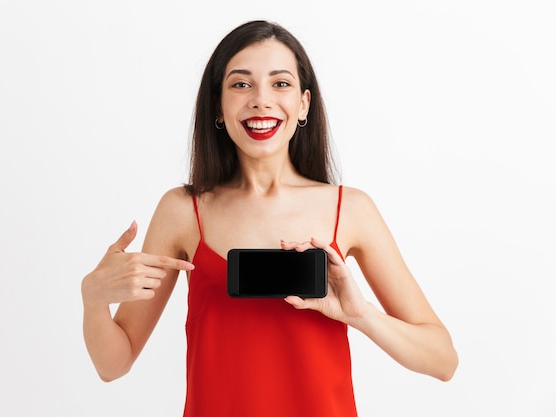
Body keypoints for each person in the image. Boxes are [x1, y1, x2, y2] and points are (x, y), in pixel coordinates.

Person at [81, 20, 458, 416]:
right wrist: (93, 299)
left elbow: (442, 360)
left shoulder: (351, 209)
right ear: (218, 107)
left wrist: (359, 313)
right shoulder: (182, 211)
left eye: (280, 84)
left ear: (304, 104)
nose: (261, 100)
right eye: (241, 84)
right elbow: (113, 364)